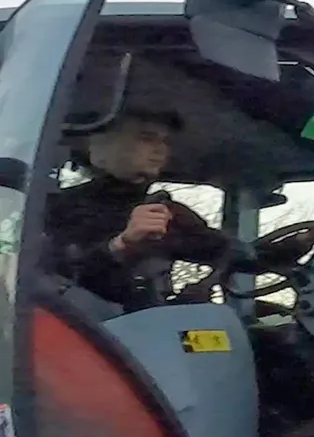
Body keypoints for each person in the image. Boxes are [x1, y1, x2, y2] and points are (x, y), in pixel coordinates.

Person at [45, 105, 232, 308]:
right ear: (102, 146)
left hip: (155, 327)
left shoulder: (169, 212)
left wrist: (260, 256)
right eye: (146, 138)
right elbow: (57, 274)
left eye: (165, 142)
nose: (160, 149)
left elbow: (220, 248)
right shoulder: (61, 207)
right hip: (86, 327)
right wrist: (121, 245)